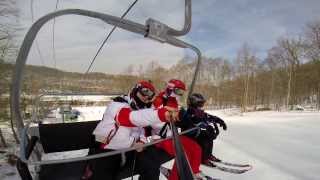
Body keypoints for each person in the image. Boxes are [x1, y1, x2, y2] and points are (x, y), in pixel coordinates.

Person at [87, 80, 179, 180]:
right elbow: (131, 118)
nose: (146, 97)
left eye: (150, 95)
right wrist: (160, 114)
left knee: (150, 166)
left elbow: (142, 130)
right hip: (106, 147)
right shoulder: (118, 104)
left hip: (129, 150)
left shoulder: (139, 109)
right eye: (145, 91)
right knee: (105, 172)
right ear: (135, 90)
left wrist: (141, 141)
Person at [150, 79, 203, 180]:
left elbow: (177, 117)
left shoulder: (173, 101)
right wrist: (168, 117)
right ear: (170, 88)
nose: (180, 94)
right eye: (178, 91)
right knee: (183, 154)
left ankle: (193, 172)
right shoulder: (158, 100)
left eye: (182, 92)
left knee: (197, 148)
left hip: (172, 135)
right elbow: (153, 121)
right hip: (160, 137)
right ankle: (174, 177)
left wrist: (185, 119)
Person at [179, 93, 227, 166]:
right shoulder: (189, 112)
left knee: (209, 136)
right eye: (200, 103)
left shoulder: (199, 111)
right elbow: (190, 121)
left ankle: (208, 155)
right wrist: (198, 123)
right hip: (189, 133)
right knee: (205, 138)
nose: (202, 105)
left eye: (202, 103)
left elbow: (209, 117)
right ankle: (203, 158)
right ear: (194, 103)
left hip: (196, 132)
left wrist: (220, 121)